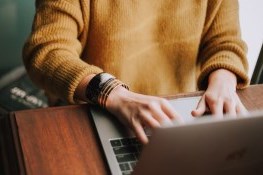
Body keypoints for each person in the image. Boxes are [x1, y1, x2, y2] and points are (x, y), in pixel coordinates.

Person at [23, 0, 249, 144]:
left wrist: (224, 80)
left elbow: (225, 41)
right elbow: (47, 50)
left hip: (178, 118)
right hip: (95, 113)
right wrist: (112, 93)